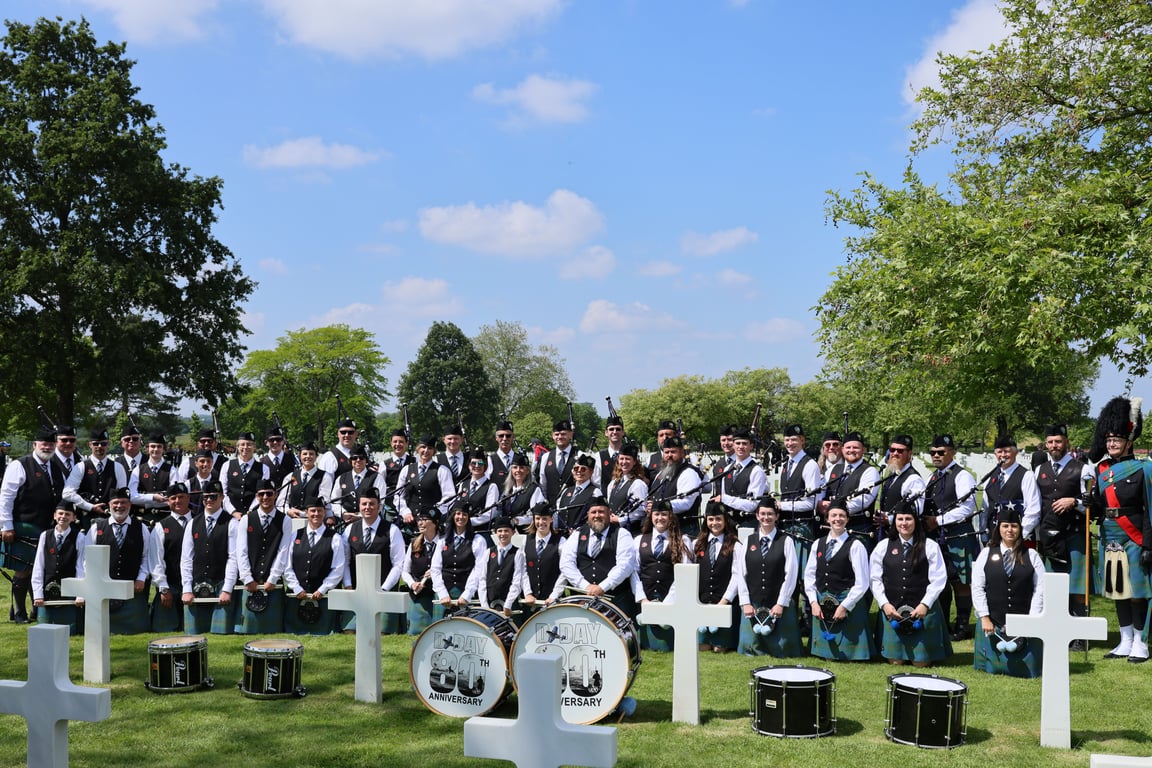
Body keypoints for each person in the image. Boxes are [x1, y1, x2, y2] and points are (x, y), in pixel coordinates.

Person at [1090, 395, 1152, 663]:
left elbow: (1150, 510)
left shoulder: (1144, 469)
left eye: (1116, 439)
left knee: (1137, 594)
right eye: (1108, 439)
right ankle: (1124, 640)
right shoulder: (1101, 470)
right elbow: (1097, 505)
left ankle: (1141, 642)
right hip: (1109, 536)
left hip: (1133, 536)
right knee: (1118, 590)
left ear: (1129, 441)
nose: (1111, 443)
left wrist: (1149, 545)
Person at [870, 508, 951, 666]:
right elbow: (874, 579)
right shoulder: (883, 546)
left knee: (920, 664)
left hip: (922, 611)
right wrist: (884, 604)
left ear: (916, 522)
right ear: (895, 522)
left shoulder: (930, 546)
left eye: (908, 519)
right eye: (900, 519)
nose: (904, 523)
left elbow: (939, 579)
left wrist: (925, 604)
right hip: (892, 611)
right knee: (896, 661)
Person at [1, 426, 64, 623]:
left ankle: (36, 610)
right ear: (35, 445)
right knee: (24, 569)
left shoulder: (55, 466)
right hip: (23, 525)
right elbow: (6, 497)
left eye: (51, 444)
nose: (47, 447)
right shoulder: (20, 465)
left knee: (40, 569)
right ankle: (19, 613)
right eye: (44, 443)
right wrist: (6, 525)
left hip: (47, 528)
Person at [972, 508, 1045, 677]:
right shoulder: (986, 554)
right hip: (993, 623)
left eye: (1014, 526)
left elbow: (1040, 589)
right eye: (1005, 526)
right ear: (999, 529)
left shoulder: (1032, 555)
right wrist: (984, 616)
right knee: (992, 669)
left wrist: (1032, 620)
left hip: (1025, 622)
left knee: (1028, 671)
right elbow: (977, 587)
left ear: (1020, 529)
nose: (1009, 530)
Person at [922, 433, 980, 641]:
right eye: (933, 452)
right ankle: (944, 623)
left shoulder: (962, 476)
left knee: (961, 581)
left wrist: (939, 520)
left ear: (952, 452)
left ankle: (963, 625)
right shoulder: (931, 477)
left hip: (958, 534)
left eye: (941, 452)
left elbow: (968, 508)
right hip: (936, 536)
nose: (936, 456)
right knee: (941, 580)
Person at [1036, 424, 1094, 632]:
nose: (1054, 445)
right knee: (1055, 587)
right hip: (1050, 537)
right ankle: (1058, 631)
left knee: (1077, 587)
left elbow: (1093, 504)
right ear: (1046, 444)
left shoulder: (1083, 469)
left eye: (1058, 441)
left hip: (1075, 535)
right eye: (1050, 442)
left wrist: (1074, 501)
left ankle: (1079, 634)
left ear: (1066, 442)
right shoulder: (1039, 470)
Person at [804, 502, 875, 661]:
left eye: (842, 516)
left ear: (848, 519)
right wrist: (814, 602)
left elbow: (862, 583)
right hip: (822, 601)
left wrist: (845, 606)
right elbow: (809, 576)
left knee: (847, 657)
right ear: (827, 519)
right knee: (825, 657)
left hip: (847, 601)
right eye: (833, 515)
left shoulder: (856, 545)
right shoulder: (818, 544)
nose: (838, 519)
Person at [736, 497, 803, 658]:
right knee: (750, 648)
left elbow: (791, 574)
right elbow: (741, 573)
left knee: (784, 649)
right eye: (762, 514)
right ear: (757, 516)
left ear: (777, 516)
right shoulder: (748, 541)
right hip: (754, 603)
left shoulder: (786, 541)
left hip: (777, 603)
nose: (766, 517)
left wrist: (781, 603)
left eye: (770, 514)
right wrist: (745, 603)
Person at [82, 487, 154, 634]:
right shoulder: (96, 528)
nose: (119, 506)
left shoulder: (142, 528)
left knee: (139, 630)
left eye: (124, 502)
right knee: (101, 630)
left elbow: (147, 556)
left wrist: (141, 578)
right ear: (109, 504)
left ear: (130, 505)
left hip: (133, 588)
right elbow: (86, 558)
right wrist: (93, 581)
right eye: (115, 502)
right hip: (104, 589)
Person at [227, 479, 292, 634]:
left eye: (269, 493)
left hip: (272, 584)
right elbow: (241, 551)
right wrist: (247, 578)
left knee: (274, 632)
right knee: (247, 630)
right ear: (256, 496)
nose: (265, 497)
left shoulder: (285, 520)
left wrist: (273, 578)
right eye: (261, 494)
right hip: (250, 582)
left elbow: (283, 551)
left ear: (275, 495)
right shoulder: (246, 520)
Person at [340, 487, 406, 634]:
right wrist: (349, 585)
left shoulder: (392, 530)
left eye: (371, 504)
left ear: (379, 506)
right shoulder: (349, 530)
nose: (367, 507)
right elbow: (345, 561)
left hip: (384, 593)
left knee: (382, 633)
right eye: (364, 504)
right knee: (350, 633)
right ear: (359, 506)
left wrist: (384, 589)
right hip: (357, 593)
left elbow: (398, 565)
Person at [630, 500, 692, 651]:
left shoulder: (683, 540)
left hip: (671, 601)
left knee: (667, 647)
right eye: (656, 514)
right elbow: (634, 572)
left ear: (671, 517)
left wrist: (667, 603)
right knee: (646, 647)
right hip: (645, 600)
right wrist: (642, 599)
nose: (660, 518)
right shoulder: (639, 540)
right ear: (651, 517)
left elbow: (684, 574)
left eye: (664, 514)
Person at [560, 495, 636, 616]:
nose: (597, 515)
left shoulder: (622, 534)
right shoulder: (577, 534)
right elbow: (566, 563)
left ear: (609, 513)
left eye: (601, 512)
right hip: (583, 599)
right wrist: (585, 586)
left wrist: (602, 587)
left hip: (615, 601)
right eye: (593, 512)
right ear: (588, 515)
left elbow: (625, 565)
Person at [180, 480, 238, 634]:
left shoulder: (232, 523)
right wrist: (186, 588)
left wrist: (227, 589)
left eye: (213, 497)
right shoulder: (192, 523)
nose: (209, 500)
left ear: (222, 497)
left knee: (221, 635)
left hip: (220, 584)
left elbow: (233, 558)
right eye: (206, 497)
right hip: (195, 585)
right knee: (192, 635)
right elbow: (186, 559)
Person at [284, 496, 346, 635]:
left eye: (319, 511)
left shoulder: (335, 537)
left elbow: (338, 568)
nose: (316, 514)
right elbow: (287, 566)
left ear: (324, 512)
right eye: (312, 511)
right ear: (306, 512)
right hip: (298, 596)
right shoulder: (295, 535)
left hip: (323, 597)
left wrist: (323, 589)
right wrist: (296, 588)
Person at [693, 502, 742, 653]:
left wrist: (723, 602)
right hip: (702, 603)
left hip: (725, 603)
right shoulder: (697, 544)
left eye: (718, 519)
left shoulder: (735, 545)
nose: (714, 523)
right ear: (706, 521)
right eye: (711, 519)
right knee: (703, 647)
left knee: (718, 649)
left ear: (725, 520)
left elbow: (737, 576)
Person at [31, 500, 85, 634]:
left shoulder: (79, 537)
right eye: (60, 513)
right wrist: (38, 594)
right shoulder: (45, 535)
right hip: (48, 590)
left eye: (67, 514)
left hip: (70, 592)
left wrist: (80, 594)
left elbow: (82, 566)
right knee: (45, 631)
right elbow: (39, 565)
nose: (63, 517)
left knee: (70, 631)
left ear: (73, 518)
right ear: (54, 516)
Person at [63, 428, 127, 531]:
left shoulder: (118, 467)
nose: (99, 447)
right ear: (90, 445)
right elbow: (67, 493)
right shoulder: (80, 467)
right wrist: (90, 506)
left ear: (108, 444)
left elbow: (122, 496)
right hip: (84, 520)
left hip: (110, 520)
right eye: (96, 444)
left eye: (103, 444)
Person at [980, 435, 1041, 542]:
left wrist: (1020, 535)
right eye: (999, 452)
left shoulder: (1026, 476)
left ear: (1016, 452)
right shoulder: (990, 477)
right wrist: (983, 533)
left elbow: (1033, 509)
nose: (1003, 455)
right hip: (993, 537)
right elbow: (985, 509)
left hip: (1018, 539)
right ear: (995, 454)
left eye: (1007, 451)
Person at [149, 483, 193, 633]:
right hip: (171, 586)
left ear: (188, 498)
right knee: (165, 630)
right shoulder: (161, 526)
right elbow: (156, 559)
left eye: (181, 497)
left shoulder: (200, 521)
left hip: (197, 586)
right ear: (168, 501)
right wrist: (163, 587)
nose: (177, 501)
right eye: (173, 498)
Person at [645, 436, 704, 537]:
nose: (669, 455)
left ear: (682, 453)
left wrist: (659, 506)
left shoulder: (689, 473)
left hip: (684, 531)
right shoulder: (662, 472)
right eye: (666, 452)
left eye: (673, 452)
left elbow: (685, 503)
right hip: (665, 530)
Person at [431, 501, 487, 608]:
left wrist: (467, 594)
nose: (461, 517)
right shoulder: (442, 541)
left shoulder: (478, 540)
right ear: (453, 516)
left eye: (464, 514)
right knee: (440, 625)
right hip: (443, 593)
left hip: (466, 593)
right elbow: (435, 569)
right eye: (458, 514)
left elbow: (479, 569)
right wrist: (442, 593)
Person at [709, 427, 767, 525]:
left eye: (744, 443)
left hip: (747, 525)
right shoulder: (727, 469)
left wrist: (725, 498)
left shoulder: (757, 471)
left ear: (751, 446)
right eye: (738, 443)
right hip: (728, 525)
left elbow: (752, 505)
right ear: (733, 445)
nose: (740, 446)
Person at [395, 435, 454, 528]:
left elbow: (449, 496)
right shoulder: (406, 469)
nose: (426, 451)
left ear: (434, 451)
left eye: (430, 448)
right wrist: (405, 512)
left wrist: (435, 512)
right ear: (418, 449)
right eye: (423, 447)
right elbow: (398, 495)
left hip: (433, 522)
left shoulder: (442, 470)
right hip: (410, 521)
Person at [522, 502, 567, 619]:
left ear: (551, 519)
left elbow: (564, 571)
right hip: (530, 602)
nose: (541, 522)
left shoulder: (561, 541)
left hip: (553, 601)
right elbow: (522, 570)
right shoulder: (525, 541)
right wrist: (528, 593)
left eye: (544, 519)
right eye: (537, 519)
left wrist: (554, 595)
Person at [402, 508, 442, 634]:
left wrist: (437, 571)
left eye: (424, 520)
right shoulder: (414, 543)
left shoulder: (445, 542)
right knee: (415, 633)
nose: (420, 523)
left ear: (435, 523)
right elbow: (405, 571)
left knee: (439, 633)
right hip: (420, 594)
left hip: (440, 594)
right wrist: (412, 584)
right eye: (419, 520)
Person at [876, 435, 926, 533]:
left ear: (909, 454)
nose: (895, 453)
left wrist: (889, 519)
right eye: (892, 450)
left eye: (900, 451)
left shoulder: (913, 479)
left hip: (902, 534)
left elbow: (915, 511)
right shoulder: (893, 474)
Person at [479, 517, 525, 621]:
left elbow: (517, 581)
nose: (503, 534)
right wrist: (485, 606)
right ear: (495, 533)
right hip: (490, 604)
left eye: (506, 531)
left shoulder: (518, 553)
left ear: (513, 532)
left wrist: (508, 604)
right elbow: (482, 580)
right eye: (500, 531)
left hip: (510, 605)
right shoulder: (488, 552)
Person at [129, 433, 175, 527]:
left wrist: (143, 496)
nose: (155, 449)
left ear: (164, 449)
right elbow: (131, 496)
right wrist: (153, 497)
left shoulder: (172, 470)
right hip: (143, 518)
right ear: (147, 449)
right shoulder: (138, 469)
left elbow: (174, 496)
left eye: (159, 446)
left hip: (166, 516)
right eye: (152, 446)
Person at [333, 445, 385, 528]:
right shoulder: (341, 478)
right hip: (345, 522)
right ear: (350, 461)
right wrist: (343, 513)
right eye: (354, 458)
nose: (358, 460)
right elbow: (335, 501)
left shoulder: (377, 477)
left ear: (366, 460)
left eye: (361, 458)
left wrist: (360, 516)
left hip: (369, 522)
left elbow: (381, 502)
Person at [223, 432, 271, 517]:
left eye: (249, 444)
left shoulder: (264, 468)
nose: (245, 447)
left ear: (254, 447)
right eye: (242, 444)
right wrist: (233, 512)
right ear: (237, 447)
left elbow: (262, 493)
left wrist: (251, 510)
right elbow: (223, 493)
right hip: (230, 516)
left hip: (254, 515)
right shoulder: (227, 465)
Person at [283, 441, 334, 522]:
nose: (308, 456)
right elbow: (281, 502)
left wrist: (304, 514)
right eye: (305, 454)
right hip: (292, 520)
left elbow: (324, 500)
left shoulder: (325, 476)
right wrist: (288, 511)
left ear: (316, 456)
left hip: (315, 520)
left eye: (311, 454)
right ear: (299, 456)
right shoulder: (290, 477)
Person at [604, 444, 648, 534]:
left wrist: (620, 520)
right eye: (621, 459)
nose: (624, 462)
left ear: (634, 462)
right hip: (612, 531)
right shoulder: (613, 483)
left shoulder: (638, 484)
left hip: (630, 531)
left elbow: (640, 512)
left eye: (628, 459)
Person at [537, 419, 577, 507]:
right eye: (556, 434)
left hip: (573, 507)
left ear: (571, 435)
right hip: (552, 508)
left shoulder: (580, 456)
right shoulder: (546, 457)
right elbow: (543, 484)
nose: (559, 437)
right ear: (552, 436)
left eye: (563, 434)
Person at [555, 453, 598, 534]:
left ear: (591, 472)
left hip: (582, 536)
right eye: (576, 468)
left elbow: (596, 517)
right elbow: (558, 513)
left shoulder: (595, 492)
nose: (579, 471)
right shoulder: (566, 491)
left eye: (583, 469)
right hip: (562, 538)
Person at [459, 449, 500, 534]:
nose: (477, 466)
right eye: (473, 463)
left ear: (485, 465)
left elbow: (490, 513)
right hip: (462, 530)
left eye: (480, 463)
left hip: (481, 531)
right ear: (469, 465)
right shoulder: (463, 485)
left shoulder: (491, 486)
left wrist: (469, 521)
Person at [502, 452, 545, 532]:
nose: (518, 470)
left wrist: (519, 520)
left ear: (527, 471)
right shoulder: (508, 490)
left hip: (526, 534)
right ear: (511, 470)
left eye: (521, 467)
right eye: (515, 467)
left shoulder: (534, 489)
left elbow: (538, 514)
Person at [597, 415, 627, 485]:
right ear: (606, 433)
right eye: (611, 429)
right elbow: (596, 481)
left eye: (618, 429)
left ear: (623, 432)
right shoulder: (599, 456)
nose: (614, 432)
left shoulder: (630, 455)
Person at [489, 420, 517, 489]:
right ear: (496, 438)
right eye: (501, 435)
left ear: (513, 437)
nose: (504, 439)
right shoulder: (489, 460)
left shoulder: (520, 459)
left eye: (508, 436)